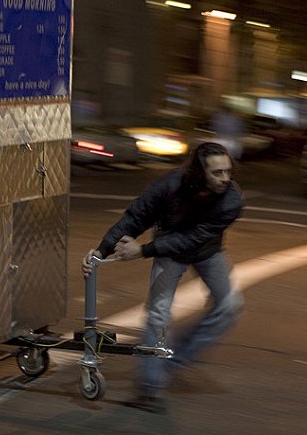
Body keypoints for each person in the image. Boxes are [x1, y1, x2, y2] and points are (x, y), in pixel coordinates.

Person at [81, 142, 244, 413]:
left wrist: (143, 250)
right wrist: (101, 250)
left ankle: (174, 359)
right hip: (170, 251)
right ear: (199, 172)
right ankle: (149, 389)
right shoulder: (169, 186)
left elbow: (194, 238)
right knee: (158, 314)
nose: (225, 179)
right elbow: (135, 217)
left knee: (230, 307)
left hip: (207, 251)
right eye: (217, 173)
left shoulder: (232, 199)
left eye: (228, 171)